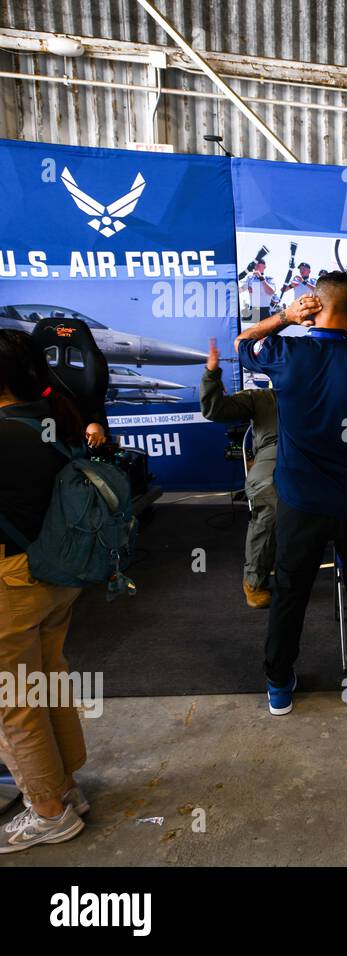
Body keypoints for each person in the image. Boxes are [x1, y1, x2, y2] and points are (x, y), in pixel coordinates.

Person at [237, 273, 347, 715]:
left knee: (290, 590)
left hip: (300, 501)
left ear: (312, 308)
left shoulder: (286, 351)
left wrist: (283, 318)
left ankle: (278, 684)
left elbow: (244, 342)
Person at [0, 330, 92, 853]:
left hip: (11, 581)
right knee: (47, 681)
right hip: (58, 575)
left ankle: (50, 812)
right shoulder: (57, 417)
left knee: (13, 704)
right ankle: (65, 787)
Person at [200, 338, 279, 609]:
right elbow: (215, 409)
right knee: (271, 498)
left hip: (315, 458)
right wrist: (212, 374)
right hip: (275, 459)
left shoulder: (319, 395)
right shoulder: (261, 398)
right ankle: (254, 580)